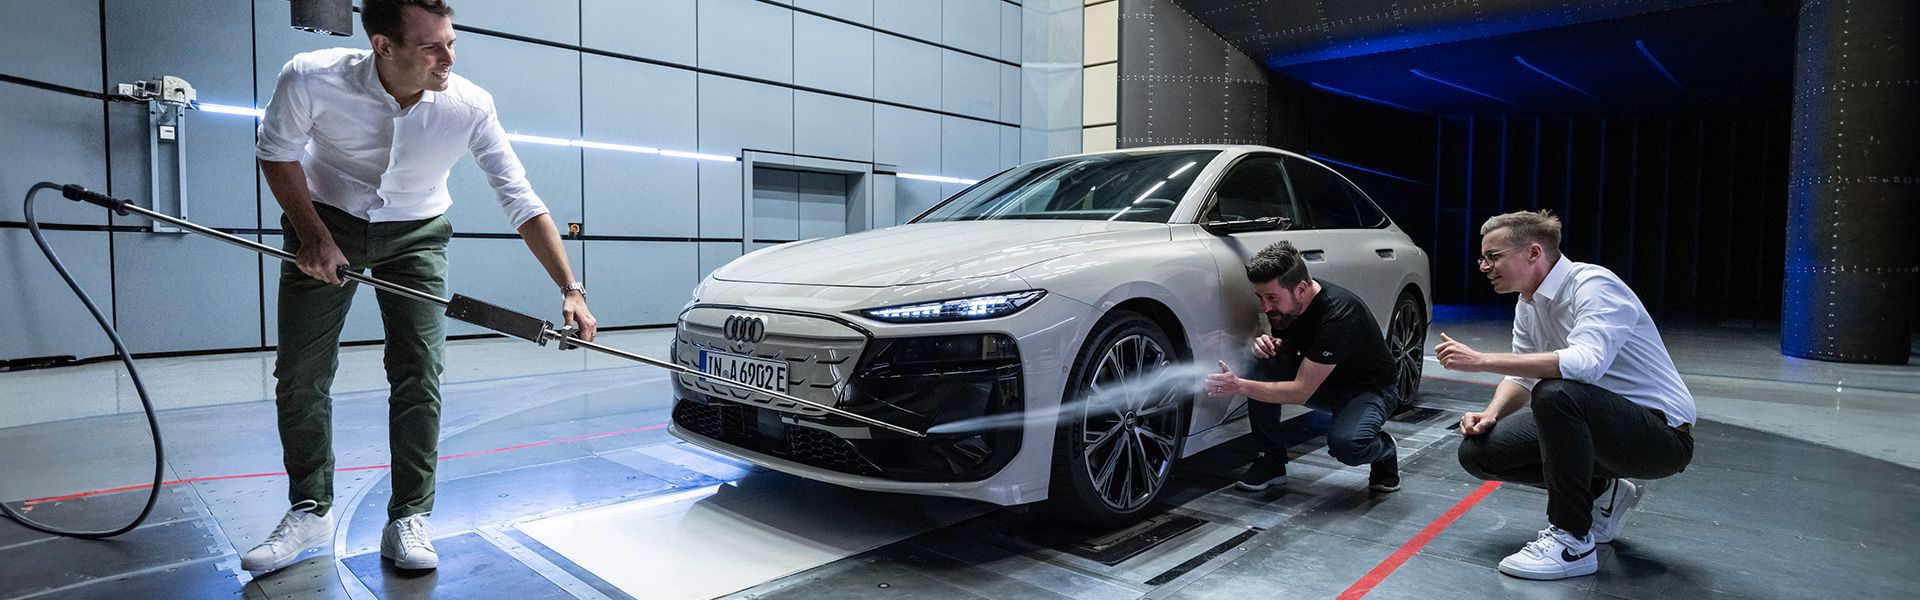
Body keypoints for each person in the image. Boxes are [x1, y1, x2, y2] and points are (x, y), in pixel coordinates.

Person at [239, 0, 597, 573]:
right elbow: (276, 152)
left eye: (451, 41)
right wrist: (311, 236)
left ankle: (409, 515)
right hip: (324, 221)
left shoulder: (470, 105)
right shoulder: (310, 76)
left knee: (418, 371)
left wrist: (570, 287)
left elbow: (520, 199)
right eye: (433, 46)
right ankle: (311, 508)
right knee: (301, 372)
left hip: (417, 234)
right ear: (384, 45)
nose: (448, 56)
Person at [1438, 210, 1694, 580]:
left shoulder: (1594, 285)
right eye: (1483, 258)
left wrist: (1481, 360)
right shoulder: (1528, 303)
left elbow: (1585, 364)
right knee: (1480, 452)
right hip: (1600, 428)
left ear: (1533, 253)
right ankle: (1602, 491)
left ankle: (1572, 542)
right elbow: (1520, 376)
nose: (1484, 266)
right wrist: (1491, 413)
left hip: (1661, 437)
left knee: (1556, 393)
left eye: (1493, 256)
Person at [1206, 241, 1402, 495]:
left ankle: (1385, 450)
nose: (1265, 307)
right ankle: (1271, 461)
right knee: (1260, 360)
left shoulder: (1339, 316)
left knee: (1348, 445)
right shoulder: (1289, 307)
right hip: (1323, 380)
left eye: (1272, 298)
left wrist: (1239, 386)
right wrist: (1269, 345)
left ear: (1300, 289)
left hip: (1368, 390)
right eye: (1261, 297)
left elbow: (1301, 391)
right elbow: (1294, 349)